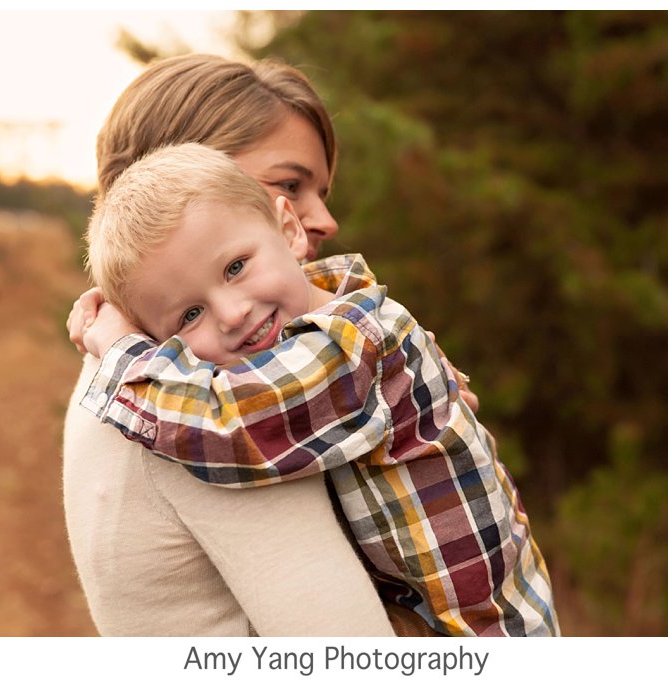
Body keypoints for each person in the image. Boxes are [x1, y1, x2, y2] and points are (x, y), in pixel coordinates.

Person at [77, 142, 560, 637]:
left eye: (236, 267)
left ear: (288, 231)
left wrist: (120, 352)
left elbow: (227, 423)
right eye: (190, 314)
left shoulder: (354, 342)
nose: (232, 313)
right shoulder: (316, 325)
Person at [64, 54, 409, 636]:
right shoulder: (192, 405)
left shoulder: (142, 372)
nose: (323, 219)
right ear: (182, 172)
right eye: (291, 183)